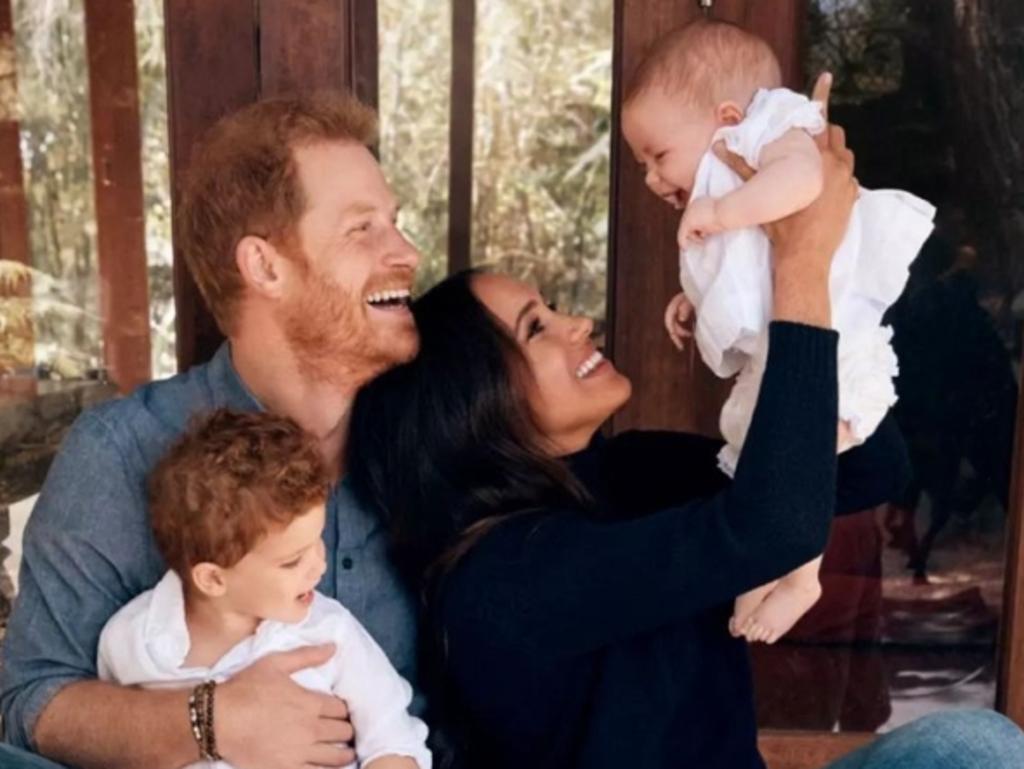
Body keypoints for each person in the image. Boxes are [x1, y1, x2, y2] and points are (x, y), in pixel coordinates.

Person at [346, 78, 1024, 768]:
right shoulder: (502, 580)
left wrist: (767, 317)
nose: (577, 324)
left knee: (976, 746)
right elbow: (772, 529)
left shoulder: (631, 470)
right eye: (537, 328)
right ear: (472, 403)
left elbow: (869, 469)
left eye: (552, 308)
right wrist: (800, 264)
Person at [0, 92, 421, 769]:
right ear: (265, 266)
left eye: (395, 222)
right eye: (362, 227)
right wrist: (209, 718)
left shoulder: (425, 440)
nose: (406, 250)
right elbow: (29, 701)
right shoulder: (120, 453)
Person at [620, 20, 936, 644]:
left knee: (800, 452)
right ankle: (768, 565)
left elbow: (804, 184)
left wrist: (721, 210)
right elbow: (750, 268)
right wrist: (694, 299)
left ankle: (801, 575)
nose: (654, 180)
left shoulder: (776, 131)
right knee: (757, 450)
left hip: (834, 339)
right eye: (641, 166)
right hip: (787, 343)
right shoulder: (731, 178)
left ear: (729, 116)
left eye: (659, 156)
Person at [97, 409, 431, 769]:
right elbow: (114, 745)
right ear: (212, 579)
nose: (319, 565)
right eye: (292, 561)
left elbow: (390, 732)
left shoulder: (328, 632)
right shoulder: (131, 643)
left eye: (318, 542)